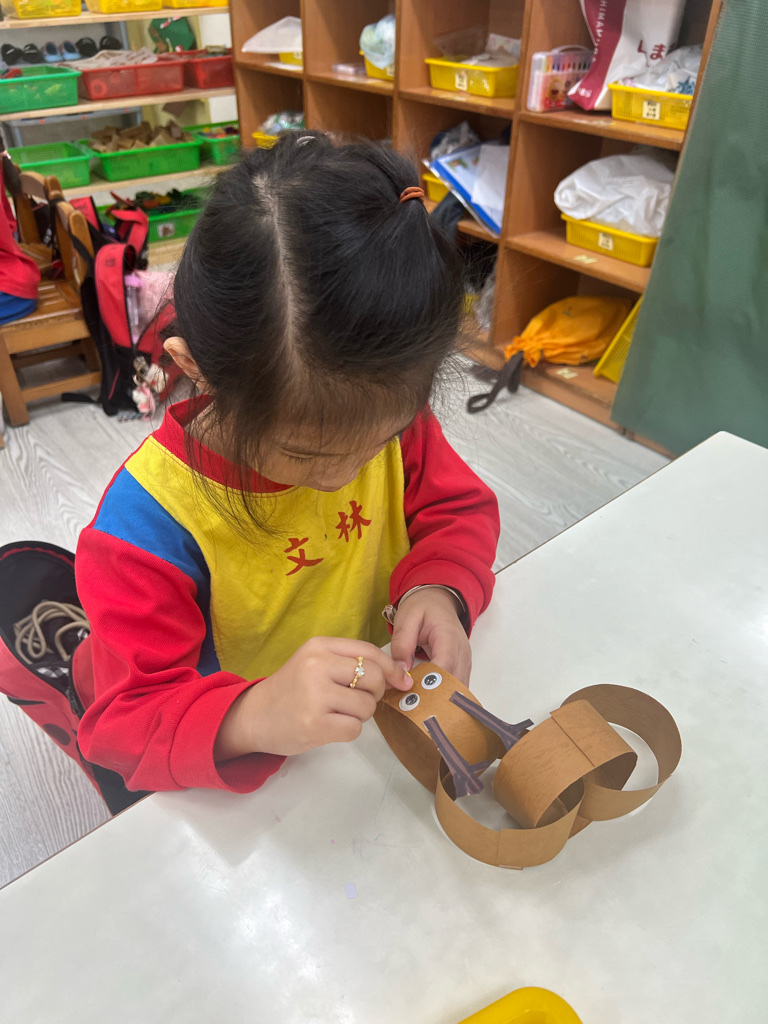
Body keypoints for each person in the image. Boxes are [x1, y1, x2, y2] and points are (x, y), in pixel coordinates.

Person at [73, 132, 499, 795]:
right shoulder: (146, 526)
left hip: (363, 750)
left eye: (377, 442)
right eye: (307, 454)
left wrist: (437, 589)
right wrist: (254, 714)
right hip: (254, 776)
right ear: (195, 368)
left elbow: (457, 510)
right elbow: (122, 727)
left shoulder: (383, 421)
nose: (345, 474)